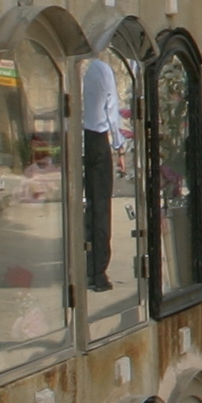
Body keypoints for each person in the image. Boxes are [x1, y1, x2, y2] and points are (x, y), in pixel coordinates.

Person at [80, 52, 121, 291]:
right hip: (96, 138)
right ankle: (97, 271)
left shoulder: (73, 67)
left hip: (76, 136)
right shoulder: (100, 68)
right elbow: (111, 109)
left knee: (80, 206)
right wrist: (119, 145)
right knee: (100, 206)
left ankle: (83, 264)